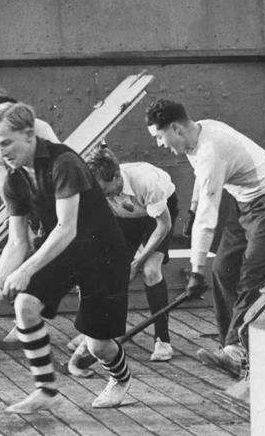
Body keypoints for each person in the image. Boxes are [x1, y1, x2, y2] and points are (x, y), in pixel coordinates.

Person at [0, 101, 133, 412]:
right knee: (25, 305)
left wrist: (25, 272)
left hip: (101, 251)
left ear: (28, 135)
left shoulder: (63, 162)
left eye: (6, 142)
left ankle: (120, 378)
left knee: (98, 344)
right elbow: (16, 242)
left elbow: (67, 227)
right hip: (62, 249)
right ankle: (46, 390)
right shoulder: (14, 181)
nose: (2, 152)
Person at [145, 98, 265, 379]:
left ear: (176, 128)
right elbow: (201, 183)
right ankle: (233, 346)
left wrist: (195, 270)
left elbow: (208, 214)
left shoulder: (210, 151)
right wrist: (191, 208)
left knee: (252, 277)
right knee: (223, 270)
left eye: (159, 136)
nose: (159, 144)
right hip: (246, 203)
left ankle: (236, 351)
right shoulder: (199, 133)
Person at [69, 145, 179, 374]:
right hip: (125, 218)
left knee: (150, 270)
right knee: (107, 271)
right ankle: (98, 332)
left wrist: (137, 263)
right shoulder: (98, 189)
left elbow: (164, 225)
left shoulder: (147, 182)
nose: (101, 195)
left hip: (157, 218)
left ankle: (163, 340)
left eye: (105, 190)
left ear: (117, 177)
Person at [0, 94, 63, 351]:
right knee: (26, 297)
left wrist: (25, 269)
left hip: (64, 210)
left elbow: (54, 178)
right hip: (35, 206)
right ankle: (25, 325)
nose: (2, 149)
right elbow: (8, 194)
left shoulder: (44, 136)